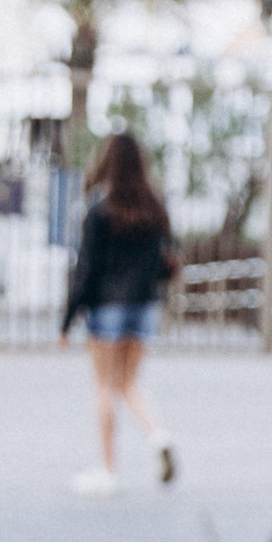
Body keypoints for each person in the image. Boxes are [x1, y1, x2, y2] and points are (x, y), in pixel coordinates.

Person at [59, 130, 177, 495]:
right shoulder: (155, 208)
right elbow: (168, 259)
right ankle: (158, 436)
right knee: (129, 383)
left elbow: (86, 269)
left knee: (104, 387)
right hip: (144, 307)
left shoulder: (99, 210)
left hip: (107, 307)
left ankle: (108, 471)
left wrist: (66, 320)